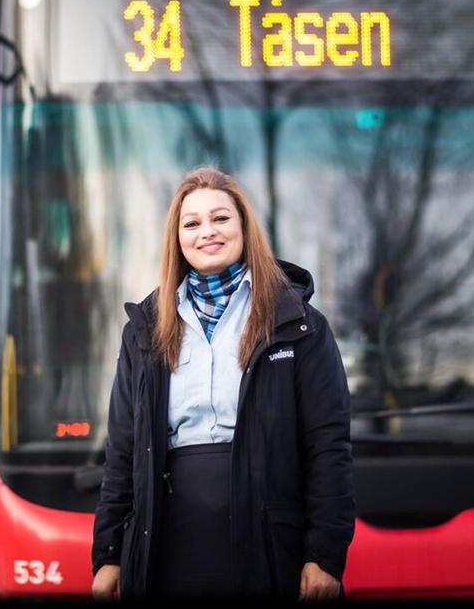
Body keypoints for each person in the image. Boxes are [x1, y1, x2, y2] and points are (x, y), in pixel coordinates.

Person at [91, 166, 355, 600]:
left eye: (221, 218)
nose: (207, 232)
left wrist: (325, 555)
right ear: (177, 239)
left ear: (243, 227)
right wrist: (108, 555)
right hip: (164, 550)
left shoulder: (299, 325)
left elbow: (328, 446)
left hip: (271, 550)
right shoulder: (145, 330)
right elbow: (122, 449)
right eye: (191, 223)